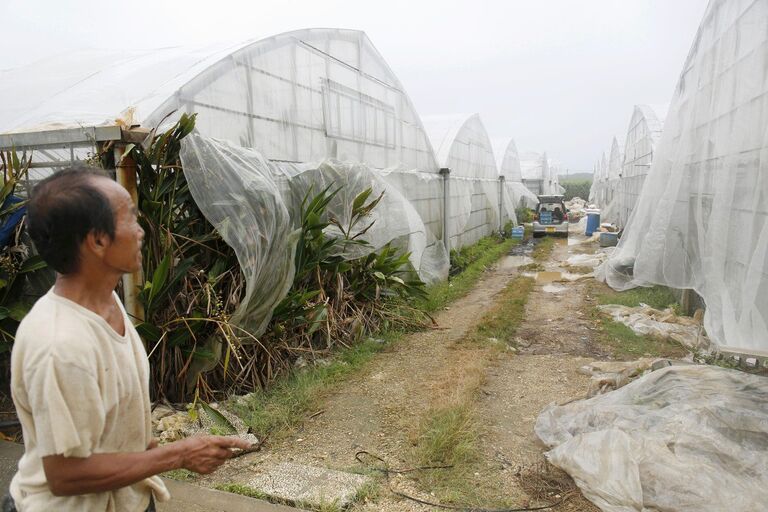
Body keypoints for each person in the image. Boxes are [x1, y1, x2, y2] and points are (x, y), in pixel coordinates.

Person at [7, 167, 250, 511]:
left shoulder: (106, 297)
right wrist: (177, 454)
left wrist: (137, 447)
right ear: (98, 240)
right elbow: (65, 475)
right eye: (131, 220)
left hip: (129, 497)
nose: (140, 233)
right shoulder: (59, 345)